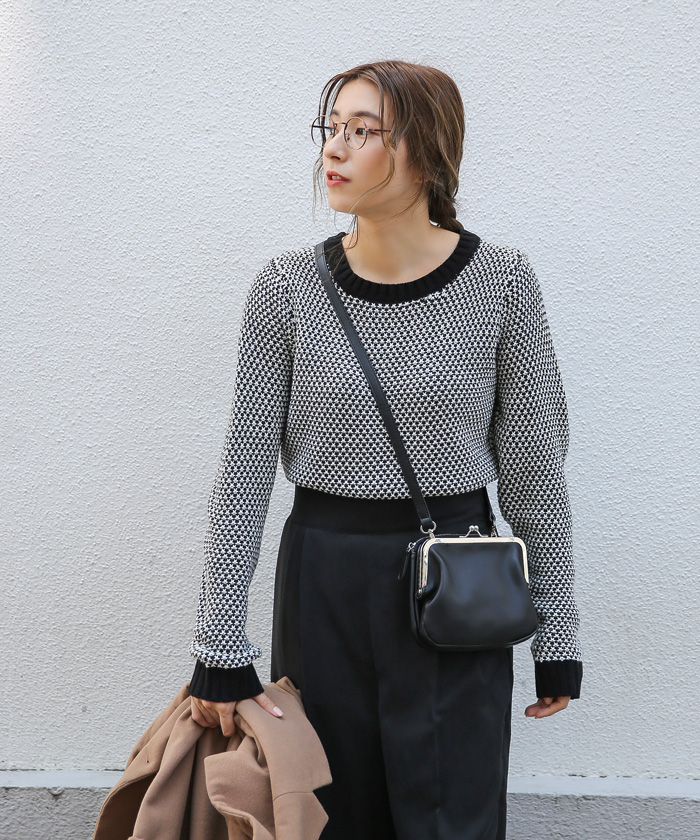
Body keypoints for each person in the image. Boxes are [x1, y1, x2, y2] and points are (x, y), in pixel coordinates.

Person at [187, 59, 584, 840]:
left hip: (459, 583)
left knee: (454, 818)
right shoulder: (286, 287)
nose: (334, 149)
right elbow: (243, 473)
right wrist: (219, 643)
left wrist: (558, 633)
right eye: (330, 128)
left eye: (362, 131)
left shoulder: (503, 282)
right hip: (324, 582)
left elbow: (535, 471)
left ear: (426, 150)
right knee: (331, 815)